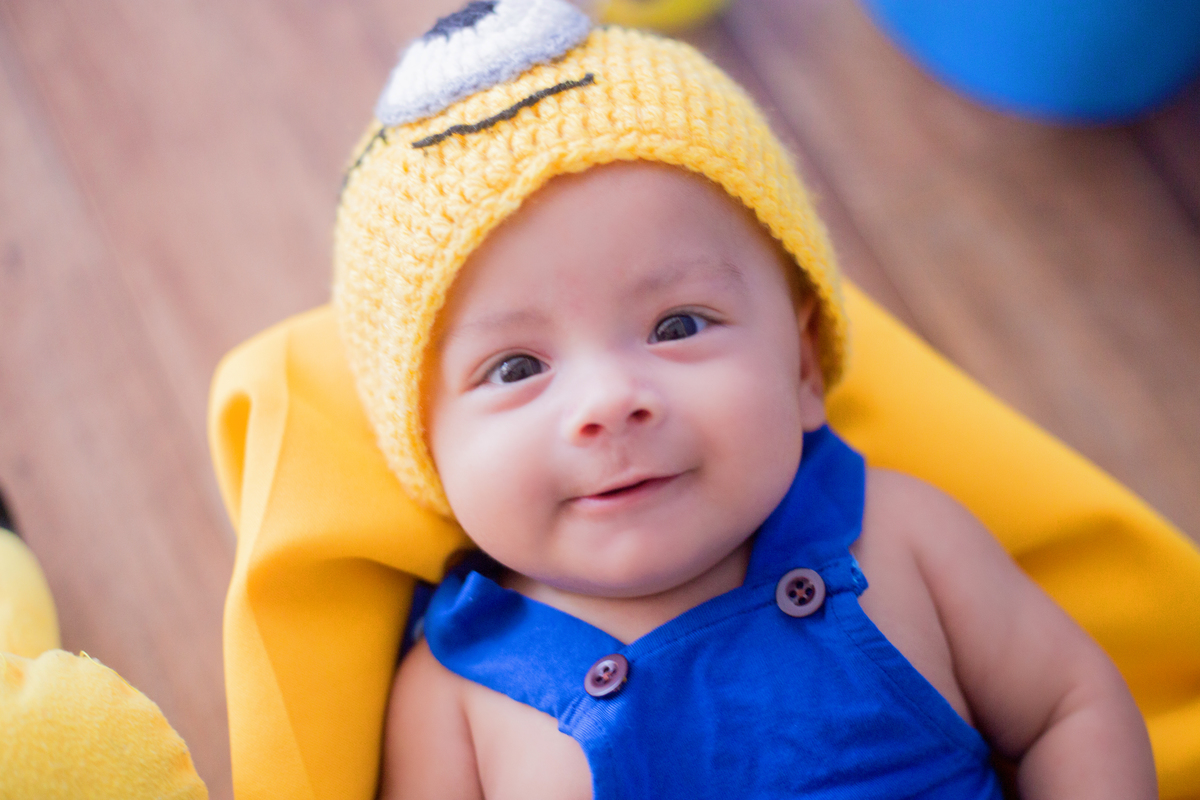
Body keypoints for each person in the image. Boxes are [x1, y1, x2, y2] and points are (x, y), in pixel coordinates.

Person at [330, 1, 1156, 797]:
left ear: (801, 364)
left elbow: (1069, 709)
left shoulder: (900, 539)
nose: (611, 400)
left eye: (677, 324)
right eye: (515, 368)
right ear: (423, 445)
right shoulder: (454, 697)